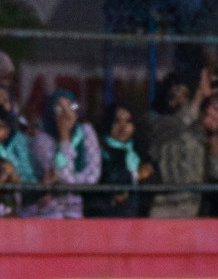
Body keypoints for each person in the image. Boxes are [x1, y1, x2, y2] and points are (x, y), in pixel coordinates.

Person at [147, 71, 214, 219]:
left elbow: (215, 171)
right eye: (175, 94)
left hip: (191, 201)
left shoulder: (197, 128)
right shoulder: (154, 121)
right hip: (163, 199)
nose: (180, 99)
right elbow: (179, 123)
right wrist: (200, 95)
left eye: (185, 94)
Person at [28, 90, 102, 219]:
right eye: (59, 108)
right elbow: (62, 173)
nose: (67, 113)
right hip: (48, 212)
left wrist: (66, 182)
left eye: (71, 106)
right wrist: (64, 137)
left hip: (76, 210)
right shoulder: (40, 139)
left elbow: (92, 176)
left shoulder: (86, 131)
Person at [85, 104, 154, 218]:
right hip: (106, 215)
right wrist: (135, 175)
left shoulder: (140, 149)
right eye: (117, 121)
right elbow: (106, 178)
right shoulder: (99, 149)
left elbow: (153, 178)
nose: (123, 127)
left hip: (138, 217)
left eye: (128, 121)